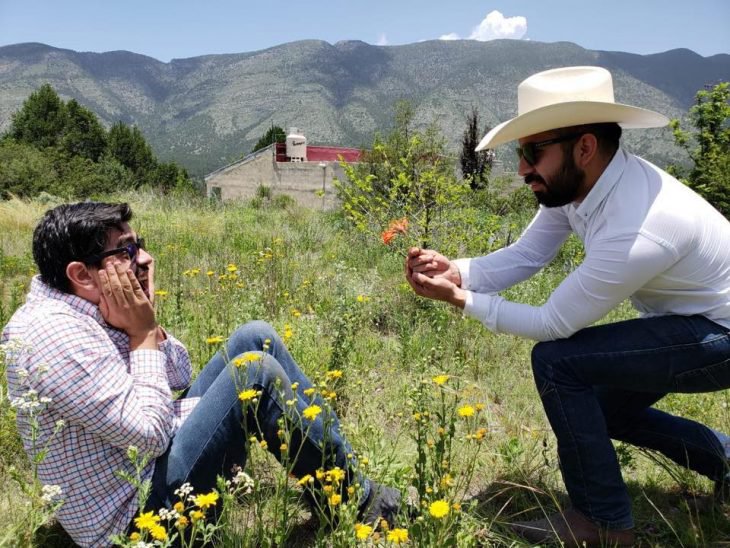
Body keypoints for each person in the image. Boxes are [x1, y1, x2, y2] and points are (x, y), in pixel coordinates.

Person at [405, 66, 730, 546]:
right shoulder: (579, 187)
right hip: (686, 321)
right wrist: (460, 271)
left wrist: (461, 300)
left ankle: (601, 522)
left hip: (719, 334)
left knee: (559, 364)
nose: (521, 168)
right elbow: (529, 254)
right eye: (520, 152)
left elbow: (552, 324)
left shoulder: (638, 226)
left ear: (584, 147)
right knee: (606, 410)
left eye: (534, 151)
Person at [2, 202, 399, 547]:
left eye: (137, 244)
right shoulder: (54, 337)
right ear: (82, 274)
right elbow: (150, 436)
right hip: (134, 521)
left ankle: (334, 485)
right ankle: (360, 504)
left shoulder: (85, 304)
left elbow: (177, 373)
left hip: (142, 465)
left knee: (254, 337)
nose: (144, 259)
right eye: (126, 251)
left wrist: (146, 321)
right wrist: (140, 333)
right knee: (253, 374)